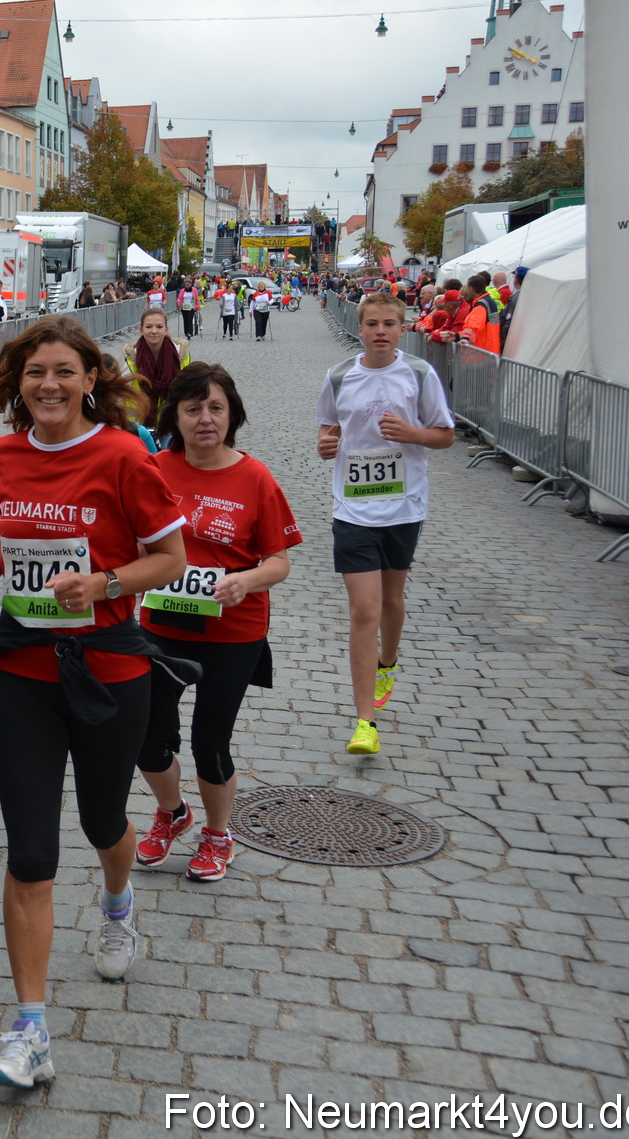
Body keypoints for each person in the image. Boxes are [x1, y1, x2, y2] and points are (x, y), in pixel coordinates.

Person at [0, 315, 188, 1089]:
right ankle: (30, 1029)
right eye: (33, 373)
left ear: (92, 379)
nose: (48, 385)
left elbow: (170, 558)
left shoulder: (125, 455)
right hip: (25, 666)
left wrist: (106, 584)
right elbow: (5, 537)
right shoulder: (2, 456)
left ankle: (119, 902)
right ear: (15, 383)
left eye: (62, 371)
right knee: (30, 849)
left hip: (110, 672)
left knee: (101, 821)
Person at [136, 365, 302, 881]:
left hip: (233, 631)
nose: (204, 419)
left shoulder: (255, 478)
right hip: (161, 621)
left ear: (231, 416)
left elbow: (279, 560)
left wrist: (247, 580)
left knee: (210, 741)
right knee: (144, 734)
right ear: (176, 417)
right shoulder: (153, 468)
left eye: (215, 409)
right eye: (192, 409)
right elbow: (135, 538)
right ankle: (172, 813)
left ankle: (217, 834)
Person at [317, 292, 455, 755]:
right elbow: (326, 429)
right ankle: (365, 722)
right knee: (364, 610)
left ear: (402, 329)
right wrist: (325, 444)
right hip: (353, 509)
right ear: (360, 329)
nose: (380, 330)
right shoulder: (339, 377)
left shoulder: (419, 374)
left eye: (389, 323)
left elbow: (445, 434)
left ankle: (388, 661)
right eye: (372, 323)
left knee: (393, 599)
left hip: (403, 507)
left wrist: (414, 434)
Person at [124, 308, 189, 426]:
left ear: (166, 330)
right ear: (141, 330)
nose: (154, 331)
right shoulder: (131, 358)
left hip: (171, 424)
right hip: (138, 426)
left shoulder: (182, 356)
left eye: (159, 327)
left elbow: (188, 392)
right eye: (148, 327)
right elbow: (122, 394)